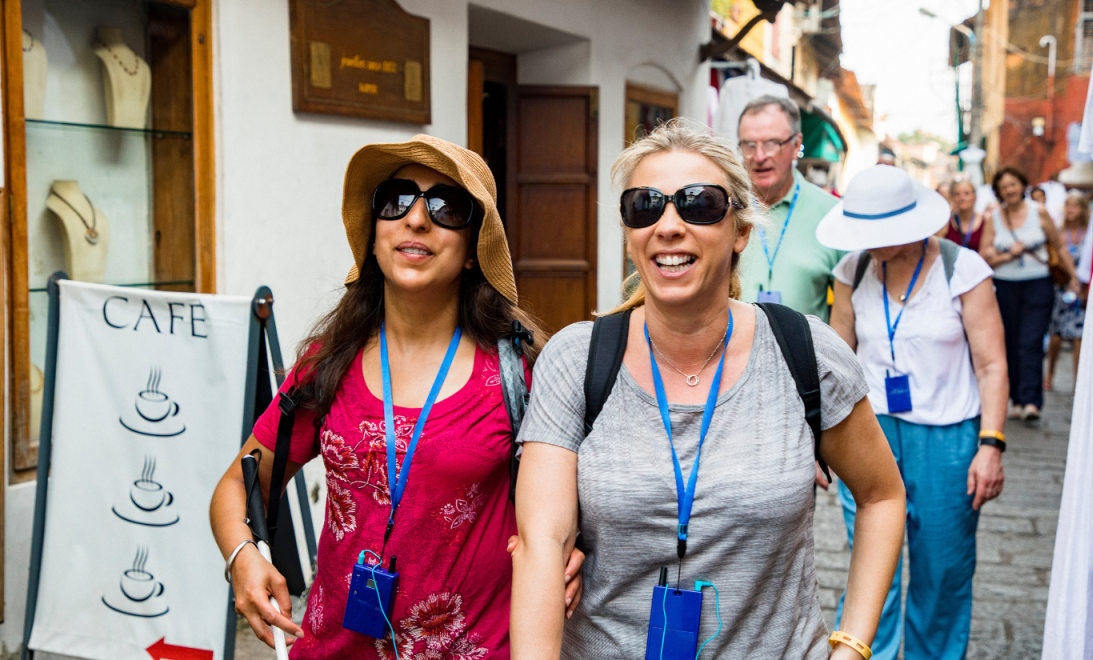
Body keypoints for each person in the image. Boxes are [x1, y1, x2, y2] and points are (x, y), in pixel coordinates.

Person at [510, 119, 906, 659]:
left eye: (698, 204)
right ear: (629, 232)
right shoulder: (576, 359)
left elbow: (882, 495)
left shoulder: (805, 352)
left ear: (740, 231)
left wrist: (853, 646)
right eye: (645, 205)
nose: (668, 225)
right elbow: (541, 546)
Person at [209, 136, 585, 659]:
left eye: (445, 207)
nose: (415, 219)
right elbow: (236, 483)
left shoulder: (519, 373)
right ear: (374, 233)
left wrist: (571, 553)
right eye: (396, 200)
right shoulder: (327, 362)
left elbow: (568, 519)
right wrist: (242, 558)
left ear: (476, 249)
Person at [822, 165, 1008, 660]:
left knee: (942, 572)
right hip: (868, 433)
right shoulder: (853, 270)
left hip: (948, 437)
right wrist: (822, 441)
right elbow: (840, 359)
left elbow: (991, 366)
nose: (871, 242)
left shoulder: (962, 270)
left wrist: (991, 445)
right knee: (871, 566)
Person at [979, 166, 1080, 421]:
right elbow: (984, 256)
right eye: (1004, 187)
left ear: (1023, 185)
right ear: (998, 192)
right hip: (1005, 287)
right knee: (1010, 342)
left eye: (1013, 184)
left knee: (1031, 341)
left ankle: (1032, 401)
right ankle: (1015, 399)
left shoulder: (1040, 212)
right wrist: (1006, 254)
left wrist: (1074, 278)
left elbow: (1058, 245)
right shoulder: (994, 218)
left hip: (1038, 284)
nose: (1009, 190)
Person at [734, 95, 843, 322]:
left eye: (772, 143)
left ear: (796, 146)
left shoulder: (833, 216)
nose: (759, 156)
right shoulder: (724, 209)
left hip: (805, 357)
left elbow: (847, 316)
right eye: (749, 145)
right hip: (732, 355)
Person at [1044, 191, 1090, 390]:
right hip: (1060, 285)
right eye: (1068, 205)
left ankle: (1077, 380)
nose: (1071, 210)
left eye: (1075, 206)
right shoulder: (1058, 230)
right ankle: (1049, 375)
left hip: (1081, 288)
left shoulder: (1088, 233)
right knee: (1056, 333)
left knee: (1079, 334)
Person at [938, 175, 987, 252]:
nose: (962, 198)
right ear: (952, 197)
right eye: (957, 194)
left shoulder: (986, 220)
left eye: (967, 193)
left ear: (975, 197)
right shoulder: (946, 222)